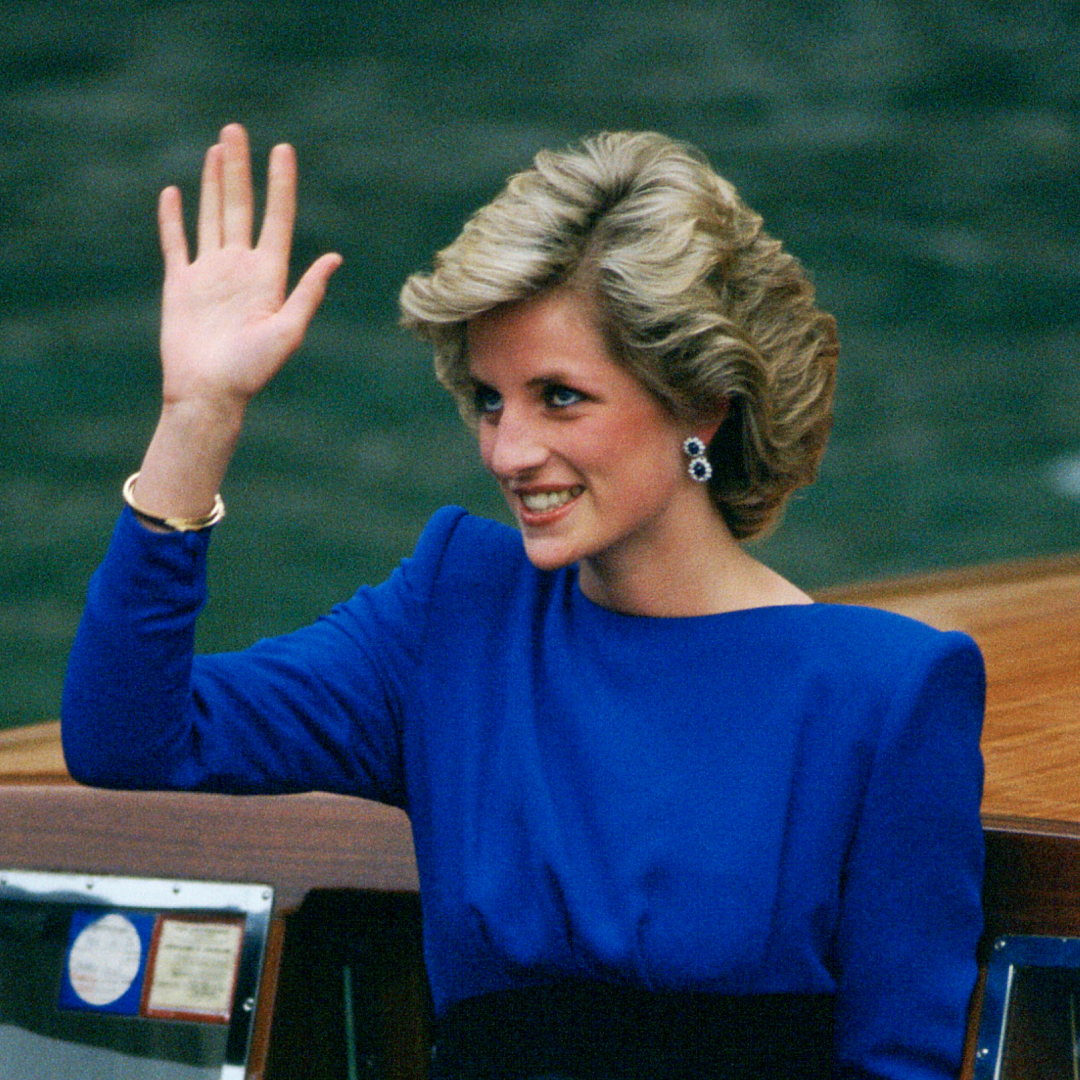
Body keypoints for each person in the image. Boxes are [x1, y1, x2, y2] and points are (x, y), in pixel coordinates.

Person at [62, 124, 985, 1079]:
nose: (508, 452)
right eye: (491, 399)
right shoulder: (454, 611)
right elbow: (128, 738)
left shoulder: (885, 692)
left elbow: (901, 1063)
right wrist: (200, 413)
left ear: (703, 402)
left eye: (560, 397)